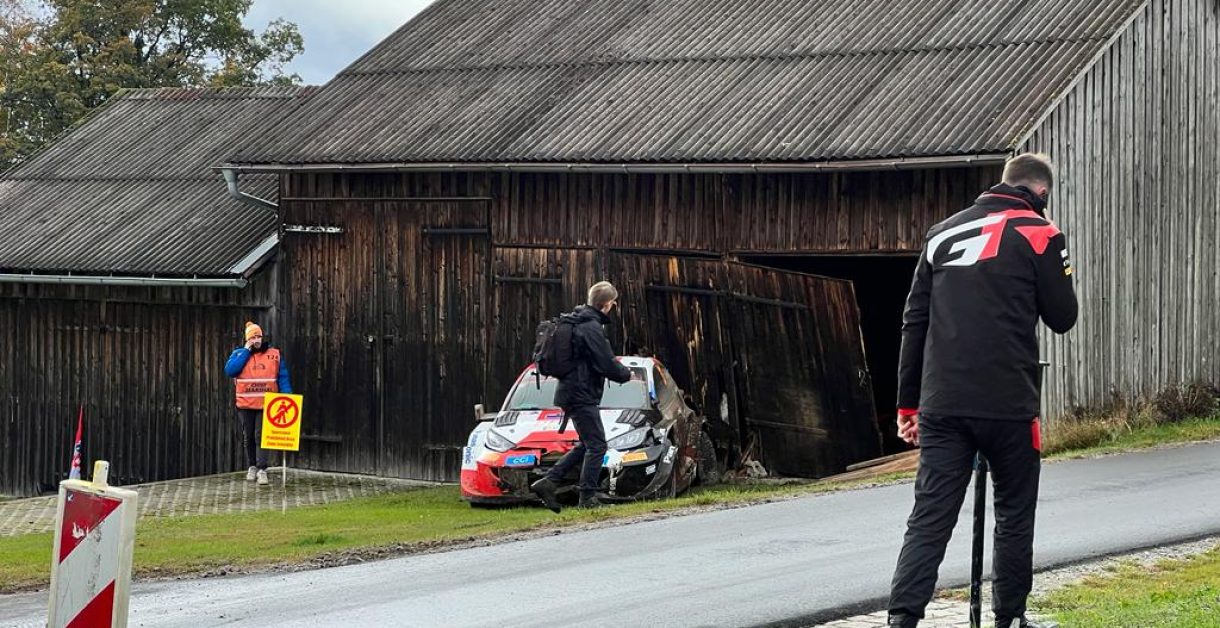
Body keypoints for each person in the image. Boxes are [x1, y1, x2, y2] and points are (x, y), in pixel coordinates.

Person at [888, 154, 1078, 628]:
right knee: (1013, 514)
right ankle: (1009, 618)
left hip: (943, 403)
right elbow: (1063, 317)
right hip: (1009, 403)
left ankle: (901, 620)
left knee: (930, 516)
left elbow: (915, 322)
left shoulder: (940, 233)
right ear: (1041, 193)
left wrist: (908, 404)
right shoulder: (1041, 233)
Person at [530, 281, 632, 511]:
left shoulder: (579, 321)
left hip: (573, 391)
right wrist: (625, 375)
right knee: (597, 445)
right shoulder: (590, 327)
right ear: (607, 304)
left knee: (587, 443)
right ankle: (587, 498)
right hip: (580, 393)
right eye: (613, 304)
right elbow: (605, 361)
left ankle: (548, 482)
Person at [225, 321, 292, 486]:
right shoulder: (239, 354)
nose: (256, 340)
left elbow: (282, 377)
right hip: (245, 405)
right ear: (247, 339)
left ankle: (262, 469)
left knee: (260, 435)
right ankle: (252, 466)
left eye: (258, 336)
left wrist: (287, 397)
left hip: (266, 404)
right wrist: (246, 351)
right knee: (248, 436)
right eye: (252, 337)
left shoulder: (274, 354)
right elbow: (231, 370)